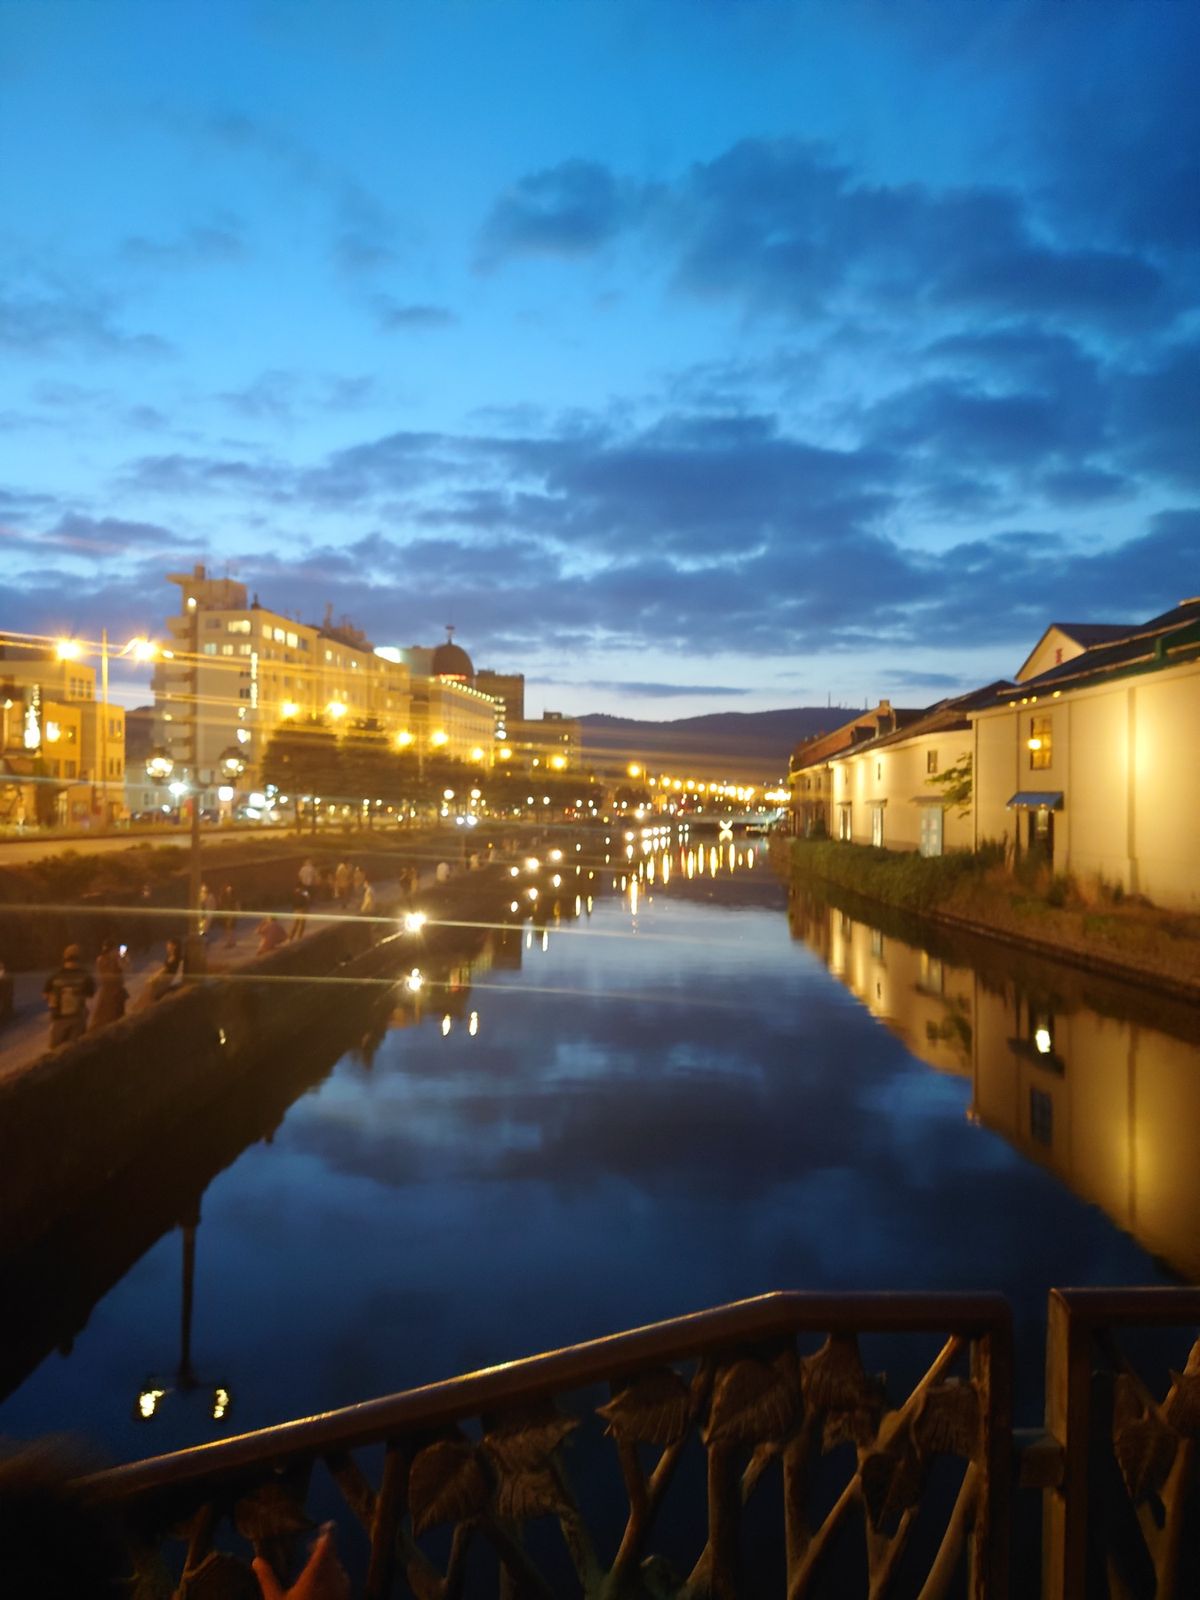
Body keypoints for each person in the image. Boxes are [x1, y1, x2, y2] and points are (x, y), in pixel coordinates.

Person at [43, 945, 95, 1046]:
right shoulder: (85, 975)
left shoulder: (55, 975)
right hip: (77, 1018)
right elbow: (90, 994)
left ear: (64, 958)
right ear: (79, 958)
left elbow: (45, 995)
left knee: (56, 1052)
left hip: (58, 1019)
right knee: (76, 1050)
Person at [89, 937, 128, 1030]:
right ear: (112, 949)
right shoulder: (112, 959)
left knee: (104, 1015)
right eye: (114, 949)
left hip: (107, 991)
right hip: (114, 992)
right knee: (114, 1015)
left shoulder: (101, 959)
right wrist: (122, 958)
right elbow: (125, 968)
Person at [138, 937, 183, 1006]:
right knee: (149, 985)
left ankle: (149, 1005)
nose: (167, 946)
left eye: (169, 944)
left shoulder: (173, 958)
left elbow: (165, 969)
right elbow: (164, 968)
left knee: (150, 986)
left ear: (174, 946)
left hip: (166, 979)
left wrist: (153, 977)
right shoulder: (171, 956)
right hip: (165, 977)